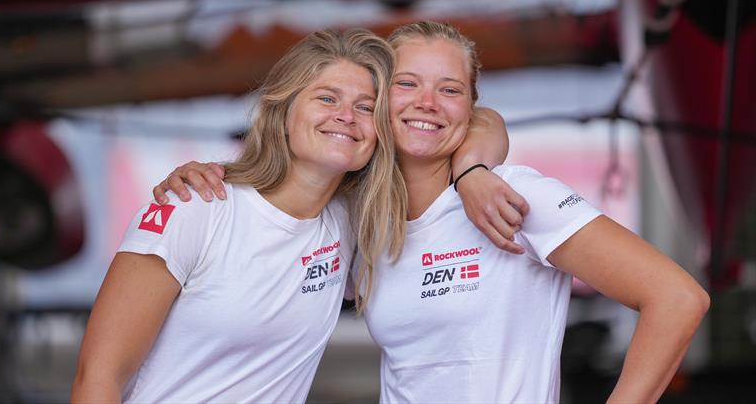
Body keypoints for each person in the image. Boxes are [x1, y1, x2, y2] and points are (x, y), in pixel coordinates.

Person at [161, 21, 709, 404]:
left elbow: (678, 298)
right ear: (378, 100)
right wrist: (214, 175)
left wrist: (472, 172)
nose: (427, 102)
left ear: (469, 108)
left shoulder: (515, 197)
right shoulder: (359, 220)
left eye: (449, 89)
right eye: (407, 83)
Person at [72, 29, 406, 403]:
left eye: (365, 107)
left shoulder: (351, 226)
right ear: (283, 111)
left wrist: (474, 173)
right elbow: (98, 376)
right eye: (327, 98)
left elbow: (453, 128)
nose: (346, 116)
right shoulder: (194, 205)